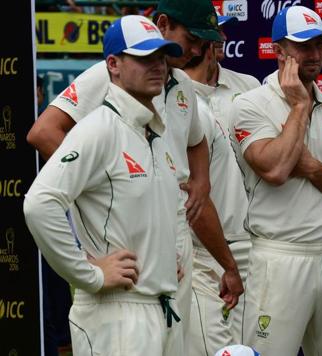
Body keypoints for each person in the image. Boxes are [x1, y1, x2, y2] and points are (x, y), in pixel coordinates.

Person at [25, 0, 244, 352]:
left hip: (165, 278)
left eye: (161, 56)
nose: (198, 50)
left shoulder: (166, 108)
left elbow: (195, 139)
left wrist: (200, 183)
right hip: (118, 294)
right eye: (192, 39)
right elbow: (42, 153)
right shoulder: (105, 111)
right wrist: (94, 187)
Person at [24, 15, 185, 355]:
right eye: (143, 57)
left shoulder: (156, 131)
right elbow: (39, 203)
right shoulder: (98, 128)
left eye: (161, 56)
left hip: (164, 308)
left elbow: (167, 207)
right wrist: (89, 274)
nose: (157, 65)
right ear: (113, 64)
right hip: (116, 316)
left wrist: (171, 253)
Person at [230, 5, 322, 355]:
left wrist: (311, 168)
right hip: (279, 256)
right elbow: (276, 169)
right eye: (303, 45)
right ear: (278, 51)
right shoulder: (250, 105)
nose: (314, 54)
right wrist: (298, 107)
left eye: (319, 44)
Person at [182, 41, 251, 354]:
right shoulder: (177, 102)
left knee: (245, 348)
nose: (222, 39)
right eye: (213, 34)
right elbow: (195, 197)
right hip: (202, 253)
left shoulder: (245, 86)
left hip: (247, 244)